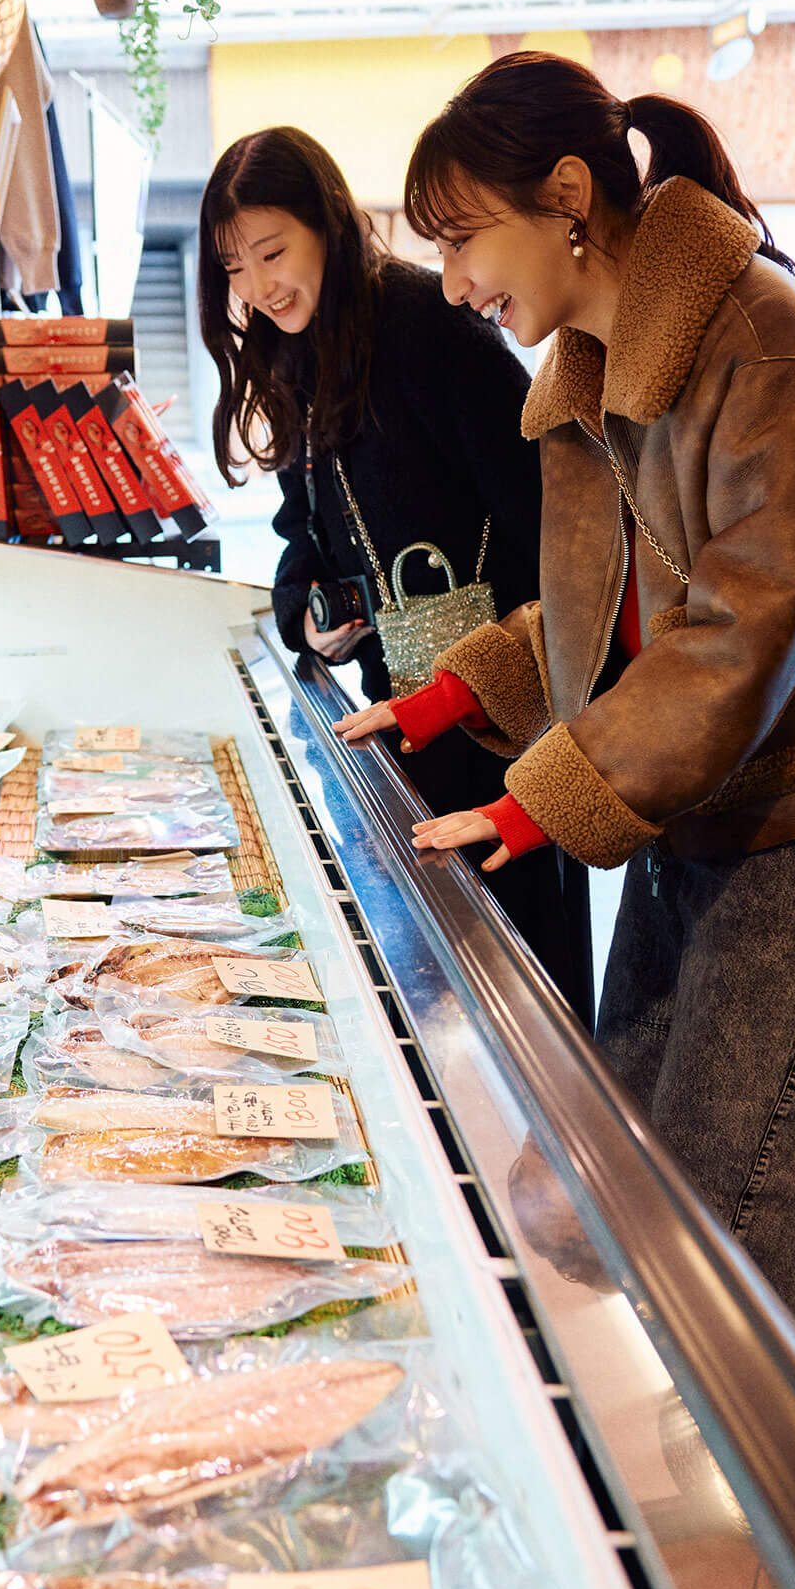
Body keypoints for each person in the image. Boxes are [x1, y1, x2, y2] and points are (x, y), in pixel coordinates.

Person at [337, 53, 795, 1322]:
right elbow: (605, 612)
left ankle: (719, 1510)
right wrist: (451, 697)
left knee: (730, 1214)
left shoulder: (761, 342)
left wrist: (531, 808)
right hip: (705, 793)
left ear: (568, 195)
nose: (453, 285)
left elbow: (742, 634)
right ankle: (615, 1459)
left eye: (465, 242)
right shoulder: (593, 368)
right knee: (607, 1169)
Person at [197, 125, 594, 1024]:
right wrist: (310, 615)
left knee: (523, 992)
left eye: (272, 252)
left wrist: (503, 660)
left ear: (330, 226)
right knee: (430, 987)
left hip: (506, 720)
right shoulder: (291, 357)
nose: (259, 287)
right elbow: (301, 535)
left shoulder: (427, 326)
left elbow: (548, 514)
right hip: (396, 720)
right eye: (233, 268)